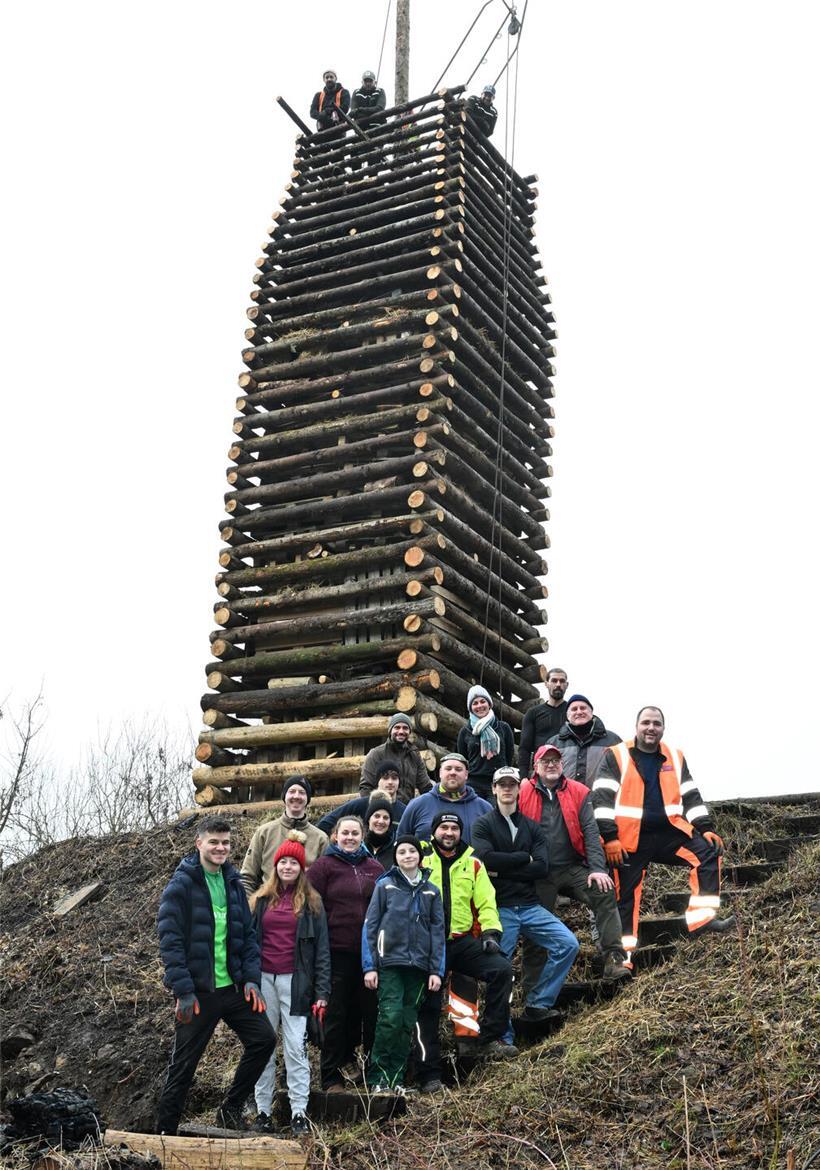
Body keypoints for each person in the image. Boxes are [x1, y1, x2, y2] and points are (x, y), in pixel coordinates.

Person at [155, 817, 275, 1135]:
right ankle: (164, 1133)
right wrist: (182, 991)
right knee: (183, 1066)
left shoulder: (234, 883)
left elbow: (248, 936)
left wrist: (251, 979)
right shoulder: (182, 885)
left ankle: (230, 1109)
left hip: (233, 989)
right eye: (214, 842)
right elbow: (170, 940)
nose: (220, 848)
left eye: (225, 842)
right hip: (198, 993)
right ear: (199, 844)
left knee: (264, 1039)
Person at [592, 706, 735, 967]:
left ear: (663, 728)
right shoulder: (616, 755)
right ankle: (622, 959)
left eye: (656, 724)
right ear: (636, 726)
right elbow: (601, 800)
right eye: (646, 722)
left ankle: (702, 919)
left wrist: (706, 828)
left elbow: (691, 797)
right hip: (628, 840)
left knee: (707, 853)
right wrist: (610, 838)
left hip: (668, 832)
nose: (651, 728)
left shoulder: (675, 757)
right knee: (625, 897)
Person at [472, 766, 579, 1036]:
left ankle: (538, 1002)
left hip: (531, 907)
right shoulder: (483, 824)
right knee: (501, 970)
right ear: (494, 789)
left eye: (512, 784)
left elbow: (541, 868)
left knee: (567, 944)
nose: (507, 789)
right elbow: (484, 860)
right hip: (501, 909)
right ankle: (502, 1034)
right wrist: (522, 859)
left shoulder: (531, 827)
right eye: (502, 784)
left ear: (519, 789)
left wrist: (502, 867)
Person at [414, 811, 516, 1090]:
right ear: (434, 831)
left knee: (502, 969)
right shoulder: (420, 858)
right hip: (428, 945)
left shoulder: (472, 863)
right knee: (428, 1006)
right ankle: (429, 1074)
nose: (449, 833)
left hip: (461, 941)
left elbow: (486, 900)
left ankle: (490, 1038)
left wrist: (490, 933)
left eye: (454, 828)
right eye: (443, 827)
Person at [519, 745, 630, 986]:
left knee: (603, 891)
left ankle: (613, 959)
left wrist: (598, 869)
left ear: (562, 765)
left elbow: (591, 832)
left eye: (556, 761)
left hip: (571, 867)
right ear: (535, 767)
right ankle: (532, 984)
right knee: (535, 919)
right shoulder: (522, 791)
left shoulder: (579, 791)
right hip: (539, 872)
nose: (551, 765)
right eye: (545, 761)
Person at [249, 831, 331, 1136]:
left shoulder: (312, 903)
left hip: (296, 983)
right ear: (275, 866)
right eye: (282, 861)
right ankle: (262, 1111)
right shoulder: (259, 900)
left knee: (295, 1047)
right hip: (263, 981)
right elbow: (247, 944)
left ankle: (299, 1111)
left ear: (301, 868)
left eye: (292, 863)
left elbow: (322, 950)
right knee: (263, 1046)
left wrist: (322, 991)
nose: (287, 867)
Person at [362, 834, 446, 1093]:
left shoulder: (432, 891)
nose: (407, 855)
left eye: (412, 851)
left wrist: (436, 970)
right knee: (390, 1017)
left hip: (419, 968)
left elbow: (438, 932)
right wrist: (370, 966)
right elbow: (370, 926)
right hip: (389, 964)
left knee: (406, 1022)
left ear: (419, 857)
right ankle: (378, 1079)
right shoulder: (385, 886)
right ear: (395, 858)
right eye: (402, 852)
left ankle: (395, 1080)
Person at [306, 816, 384, 1091]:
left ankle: (370, 1073)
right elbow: (310, 908)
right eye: (345, 833)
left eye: (355, 833)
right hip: (335, 952)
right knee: (335, 1014)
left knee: (367, 1013)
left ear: (363, 836)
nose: (350, 838)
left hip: (368, 955)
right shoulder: (323, 867)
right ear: (335, 836)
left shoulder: (374, 868)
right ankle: (330, 1077)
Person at [240, 776, 328, 896]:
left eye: (302, 792)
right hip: (267, 907)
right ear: (284, 796)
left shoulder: (320, 839)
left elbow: (325, 883)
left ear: (307, 799)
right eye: (292, 791)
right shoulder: (264, 832)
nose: (296, 796)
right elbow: (247, 877)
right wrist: (250, 909)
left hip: (304, 909)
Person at [397, 752, 492, 845]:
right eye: (448, 768)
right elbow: (401, 842)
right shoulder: (418, 804)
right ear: (440, 773)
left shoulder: (484, 808)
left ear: (466, 774)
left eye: (458, 769)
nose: (453, 772)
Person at [547, 694, 621, 787]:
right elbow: (543, 775)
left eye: (583, 708)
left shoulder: (613, 741)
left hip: (601, 799)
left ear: (591, 712)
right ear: (567, 715)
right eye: (574, 709)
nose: (579, 712)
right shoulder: (553, 743)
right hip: (563, 800)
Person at [456, 685, 515, 800]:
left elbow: (509, 755)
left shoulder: (503, 727)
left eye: (483, 701)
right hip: (474, 783)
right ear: (470, 708)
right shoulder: (465, 731)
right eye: (475, 703)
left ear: (489, 704)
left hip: (498, 781)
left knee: (497, 815)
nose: (479, 706)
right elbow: (462, 759)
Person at [359, 713, 432, 805]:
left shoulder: (414, 755)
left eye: (405, 728)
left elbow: (425, 786)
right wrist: (373, 809)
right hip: (382, 809)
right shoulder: (376, 754)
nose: (401, 731)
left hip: (406, 811)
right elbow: (366, 787)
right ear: (390, 730)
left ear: (409, 731)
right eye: (397, 727)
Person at [318, 762, 406, 835]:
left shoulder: (404, 811)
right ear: (377, 781)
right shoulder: (361, 804)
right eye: (385, 778)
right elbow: (325, 824)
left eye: (394, 778)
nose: (390, 782)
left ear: (399, 782)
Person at [518, 667, 569, 778]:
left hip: (568, 770)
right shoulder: (533, 713)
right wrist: (523, 778)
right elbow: (524, 748)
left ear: (567, 685)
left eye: (562, 681)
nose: (558, 684)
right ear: (546, 684)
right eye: (554, 681)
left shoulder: (572, 713)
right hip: (541, 771)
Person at [362, 795, 399, 868]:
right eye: (377, 816)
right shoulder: (358, 845)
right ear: (369, 819)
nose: (381, 821)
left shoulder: (397, 848)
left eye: (385, 818)